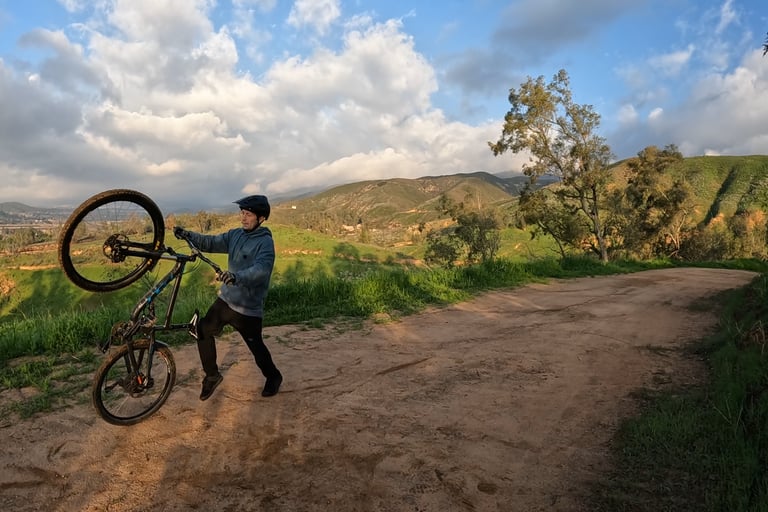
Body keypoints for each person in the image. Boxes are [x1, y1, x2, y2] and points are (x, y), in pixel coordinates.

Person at [173, 195, 282, 401]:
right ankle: (212, 376)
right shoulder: (235, 235)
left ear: (261, 218)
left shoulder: (265, 243)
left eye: (248, 214)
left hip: (248, 309)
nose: (243, 218)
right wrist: (188, 235)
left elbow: (261, 270)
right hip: (226, 301)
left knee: (257, 348)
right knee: (203, 330)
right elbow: (211, 242)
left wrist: (236, 276)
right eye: (242, 213)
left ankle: (273, 376)